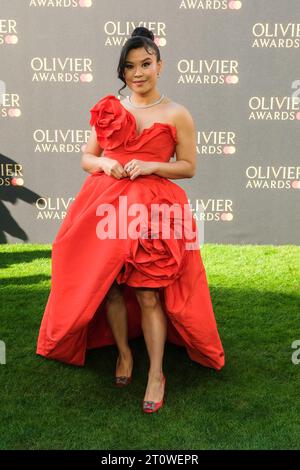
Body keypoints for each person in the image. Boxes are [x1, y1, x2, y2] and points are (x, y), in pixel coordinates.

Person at [36, 26, 225, 414]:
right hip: (105, 203)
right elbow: (87, 158)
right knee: (109, 287)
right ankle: (124, 354)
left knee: (149, 292)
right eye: (129, 67)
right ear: (122, 72)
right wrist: (105, 161)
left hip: (155, 210)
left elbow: (188, 166)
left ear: (159, 65)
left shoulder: (177, 113)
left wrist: (152, 165)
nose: (137, 73)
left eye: (145, 64)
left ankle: (156, 373)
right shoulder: (109, 108)